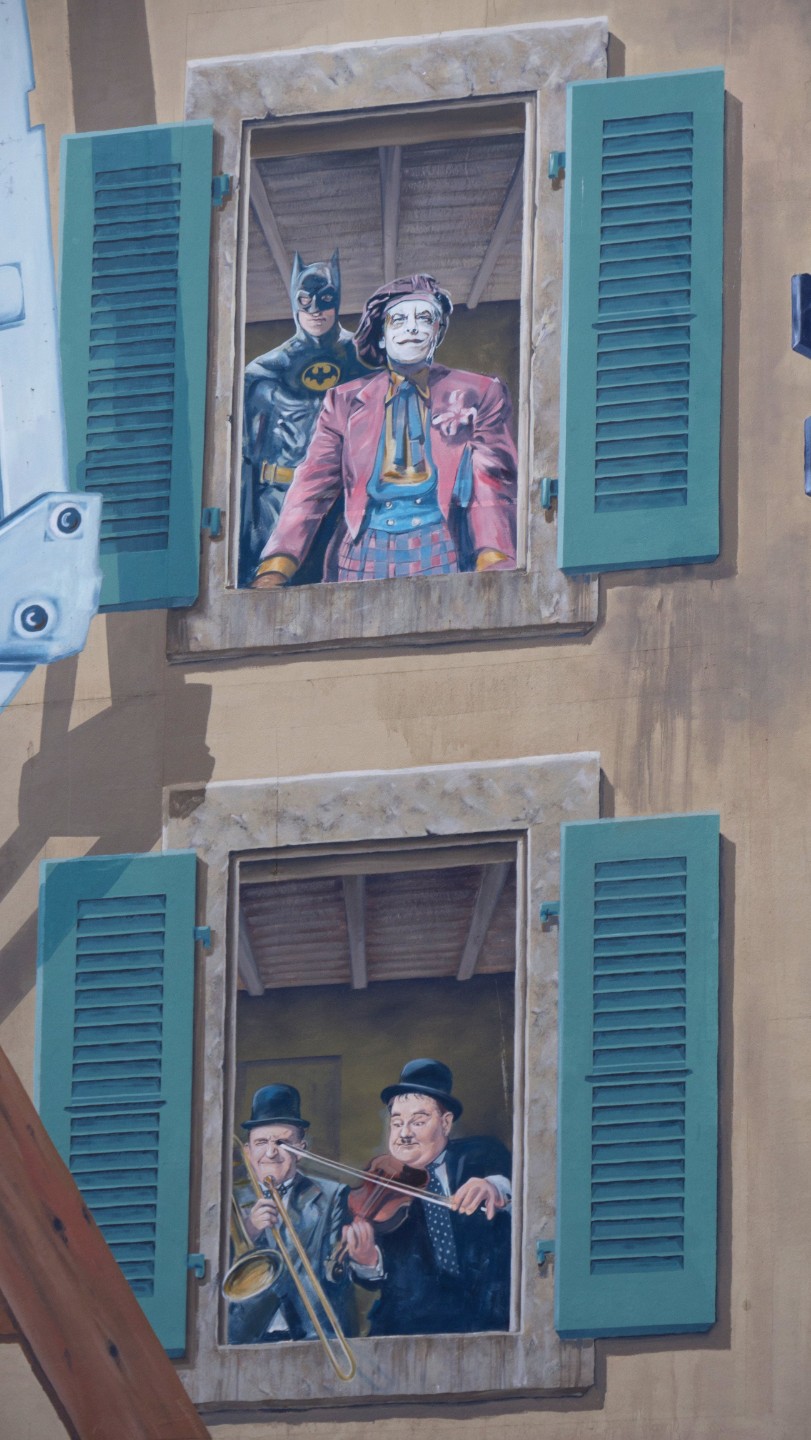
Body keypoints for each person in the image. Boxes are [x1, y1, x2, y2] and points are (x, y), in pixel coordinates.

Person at [252, 274, 517, 587]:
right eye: (399, 320)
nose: (412, 328)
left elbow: (491, 481)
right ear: (381, 335)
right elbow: (312, 484)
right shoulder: (343, 401)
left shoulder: (479, 393)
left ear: (437, 332)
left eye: (424, 318)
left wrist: (493, 558)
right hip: (361, 556)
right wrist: (276, 565)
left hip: (440, 550)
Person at [342, 1058, 512, 1336]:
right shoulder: (378, 1187)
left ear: (445, 1123)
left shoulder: (481, 1154)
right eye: (397, 1123)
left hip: (486, 1318)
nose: (404, 1134)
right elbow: (375, 1281)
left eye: (418, 1122)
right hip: (408, 1327)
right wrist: (367, 1260)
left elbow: (522, 1193)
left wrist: (493, 1187)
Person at [239, 249, 368, 586]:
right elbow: (245, 461)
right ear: (295, 302)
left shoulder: (366, 362)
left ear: (337, 299)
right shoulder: (264, 371)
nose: (315, 310)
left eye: (325, 299)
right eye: (305, 300)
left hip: (344, 508)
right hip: (276, 507)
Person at [227, 1083, 355, 1344]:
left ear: (301, 1149)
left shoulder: (332, 1195)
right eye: (261, 1142)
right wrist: (249, 1230)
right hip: (246, 1335)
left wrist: (351, 1258)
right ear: (248, 1152)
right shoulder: (228, 1201)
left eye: (282, 1143)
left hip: (314, 1335)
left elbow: (336, 1277)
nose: (271, 1152)